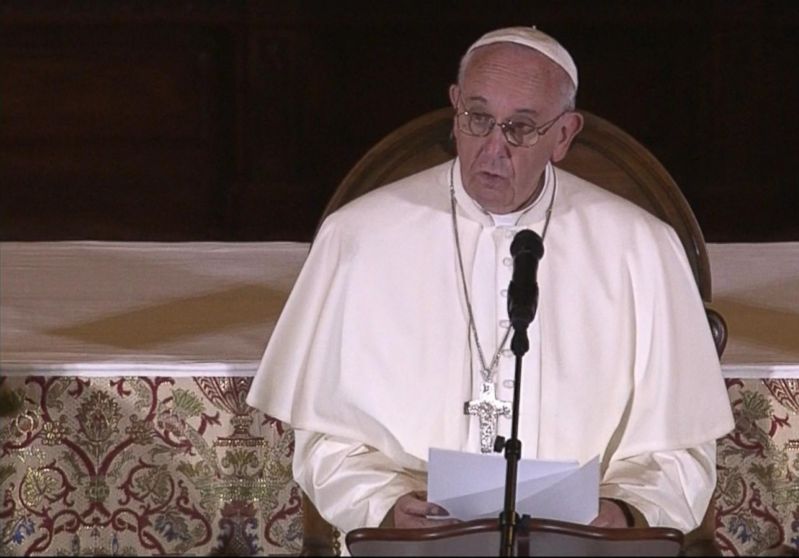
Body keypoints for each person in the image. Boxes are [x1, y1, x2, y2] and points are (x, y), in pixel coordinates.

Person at [247, 26, 734, 536]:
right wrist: (381, 506)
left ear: (564, 135)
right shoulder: (358, 238)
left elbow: (681, 453)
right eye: (478, 119)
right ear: (455, 108)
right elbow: (324, 441)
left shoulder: (641, 248)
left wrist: (628, 514)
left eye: (520, 128)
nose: (493, 149)